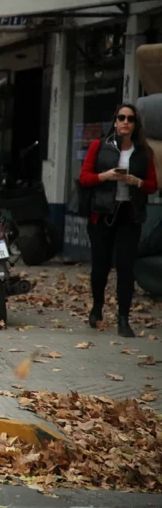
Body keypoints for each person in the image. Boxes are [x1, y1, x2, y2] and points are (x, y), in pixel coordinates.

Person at [79, 104, 158, 338]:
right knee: (100, 266)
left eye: (130, 119)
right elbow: (84, 178)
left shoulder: (144, 152)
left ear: (135, 125)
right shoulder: (99, 146)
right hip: (102, 214)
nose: (125, 122)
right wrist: (106, 176)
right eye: (121, 118)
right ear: (115, 122)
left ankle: (124, 318)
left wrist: (137, 182)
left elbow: (153, 185)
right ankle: (97, 308)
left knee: (126, 268)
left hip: (129, 215)